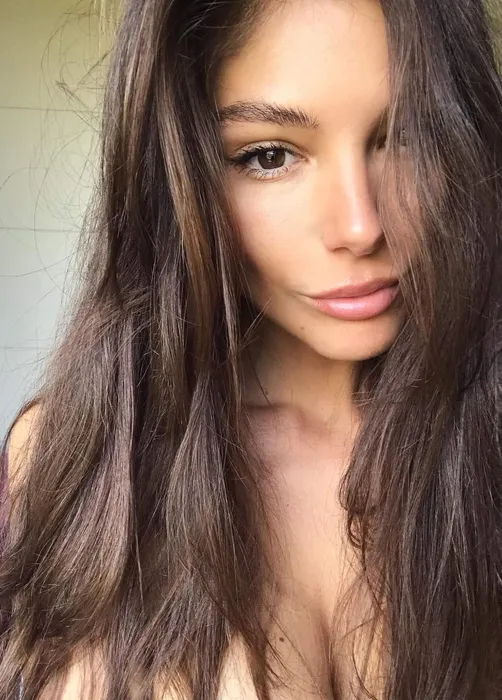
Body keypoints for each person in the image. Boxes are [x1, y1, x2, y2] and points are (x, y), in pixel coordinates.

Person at [1, 0, 502, 697]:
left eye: (407, 135)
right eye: (270, 156)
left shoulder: (484, 445)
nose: (360, 225)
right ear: (178, 177)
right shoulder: (70, 459)